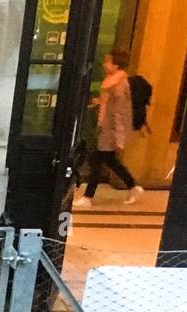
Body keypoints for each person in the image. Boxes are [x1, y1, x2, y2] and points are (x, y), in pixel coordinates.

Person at [74, 50, 144, 208]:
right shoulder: (112, 81)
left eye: (108, 62)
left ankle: (88, 197)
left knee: (96, 162)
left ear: (116, 64)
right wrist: (99, 102)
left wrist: (119, 138)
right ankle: (133, 186)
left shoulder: (118, 84)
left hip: (110, 131)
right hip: (106, 128)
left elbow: (119, 113)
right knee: (111, 162)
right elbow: (110, 105)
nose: (105, 64)